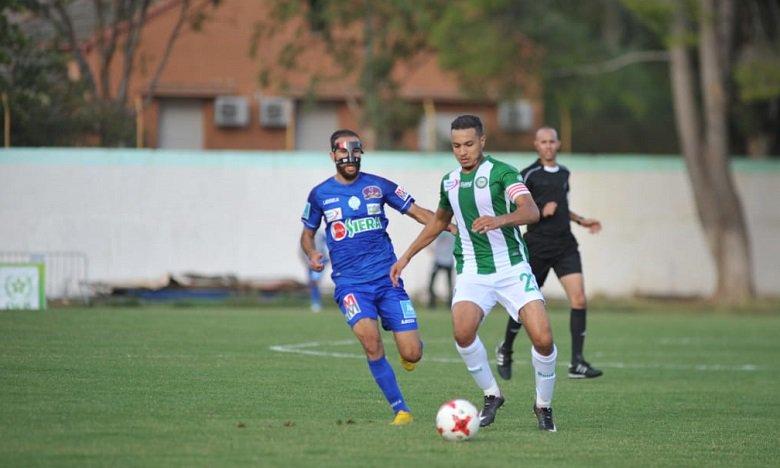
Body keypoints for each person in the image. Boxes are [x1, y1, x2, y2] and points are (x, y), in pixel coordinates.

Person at [390, 115, 558, 432]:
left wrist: (500, 219)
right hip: (472, 269)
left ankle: (543, 405)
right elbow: (439, 222)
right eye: (456, 145)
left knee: (544, 338)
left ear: (482, 141)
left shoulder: (502, 173)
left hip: (511, 267)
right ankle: (492, 396)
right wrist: (406, 257)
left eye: (469, 144)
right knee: (462, 331)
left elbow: (531, 210)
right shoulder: (449, 181)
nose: (462, 151)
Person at [300, 129, 437, 426]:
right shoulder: (320, 194)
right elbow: (307, 235)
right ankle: (401, 409)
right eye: (343, 153)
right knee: (371, 342)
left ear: (361, 154)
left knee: (412, 353)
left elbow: (417, 212)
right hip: (350, 285)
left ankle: (403, 340)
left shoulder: (378, 185)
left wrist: (447, 225)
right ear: (332, 156)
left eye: (355, 153)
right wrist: (312, 254)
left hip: (388, 280)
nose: (350, 158)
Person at [495, 126, 603, 381]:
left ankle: (577, 363)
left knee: (579, 299)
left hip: (565, 244)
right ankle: (506, 348)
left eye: (552, 142)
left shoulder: (564, 173)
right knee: (525, 304)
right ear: (536, 145)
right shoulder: (528, 174)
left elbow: (562, 205)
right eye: (543, 142)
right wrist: (542, 210)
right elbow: (516, 208)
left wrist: (580, 219)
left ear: (558, 143)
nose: (548, 146)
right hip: (537, 246)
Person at [300, 227, 329, 312]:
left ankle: (316, 303)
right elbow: (302, 251)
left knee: (314, 281)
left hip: (320, 261)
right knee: (312, 283)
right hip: (310, 263)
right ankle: (315, 302)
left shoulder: (321, 235)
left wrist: (326, 259)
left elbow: (328, 246)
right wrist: (307, 263)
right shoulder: (305, 236)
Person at [427, 231, 455, 308]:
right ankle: (432, 303)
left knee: (449, 284)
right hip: (439, 260)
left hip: (448, 261)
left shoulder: (453, 231)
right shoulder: (440, 230)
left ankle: (450, 303)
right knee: (432, 283)